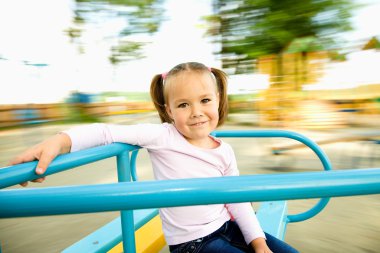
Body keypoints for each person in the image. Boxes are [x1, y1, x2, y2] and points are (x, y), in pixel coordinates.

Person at [9, 62, 299, 253]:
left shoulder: (224, 150)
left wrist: (258, 243)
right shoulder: (163, 136)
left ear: (219, 100)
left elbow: (238, 201)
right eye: (183, 104)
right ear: (169, 110)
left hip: (227, 227)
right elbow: (106, 132)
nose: (196, 111)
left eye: (205, 100)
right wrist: (60, 141)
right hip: (192, 244)